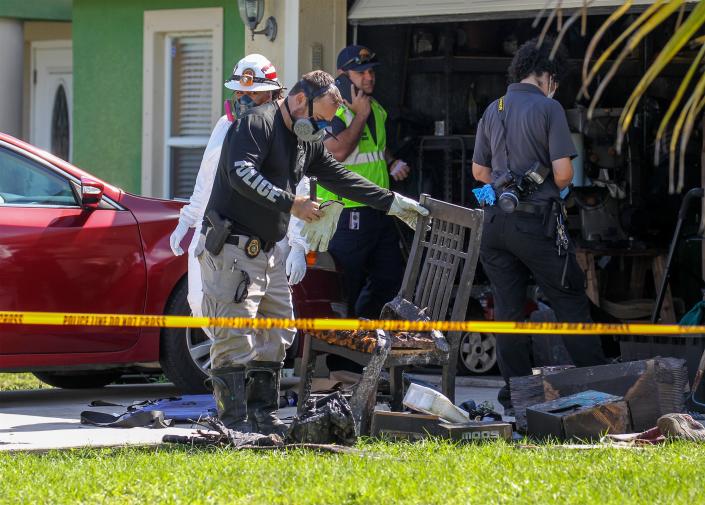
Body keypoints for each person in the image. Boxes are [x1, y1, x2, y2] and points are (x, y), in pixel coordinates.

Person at [199, 70, 428, 434]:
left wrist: (392, 203)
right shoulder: (256, 123)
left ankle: (262, 417)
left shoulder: (306, 142)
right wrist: (292, 204)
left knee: (278, 335)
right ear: (301, 100)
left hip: (270, 250)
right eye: (320, 117)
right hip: (234, 248)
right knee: (233, 336)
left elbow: (341, 177)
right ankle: (234, 424)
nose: (322, 126)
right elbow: (239, 172)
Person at [471, 37, 606, 412]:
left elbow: (479, 172)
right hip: (536, 224)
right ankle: (602, 391)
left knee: (508, 312)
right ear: (547, 75)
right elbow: (564, 175)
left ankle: (517, 398)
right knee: (570, 300)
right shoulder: (549, 108)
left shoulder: (492, 108)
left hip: (494, 223)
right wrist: (543, 183)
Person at [168, 54, 311, 340]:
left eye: (251, 94)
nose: (243, 99)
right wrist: (187, 220)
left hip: (258, 242)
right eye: (239, 92)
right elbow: (204, 180)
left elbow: (299, 190)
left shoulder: (284, 132)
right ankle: (231, 376)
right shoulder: (224, 126)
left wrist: (299, 245)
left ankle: (257, 378)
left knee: (269, 325)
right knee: (203, 308)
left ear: (271, 93)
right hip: (214, 233)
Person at [319, 45, 411, 319]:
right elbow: (338, 151)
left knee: (390, 277)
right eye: (360, 72)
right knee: (346, 285)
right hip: (345, 213)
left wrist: (391, 161)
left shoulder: (375, 108)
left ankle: (365, 334)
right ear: (342, 75)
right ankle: (340, 356)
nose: (368, 77)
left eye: (371, 71)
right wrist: (360, 115)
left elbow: (374, 146)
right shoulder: (332, 109)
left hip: (378, 209)